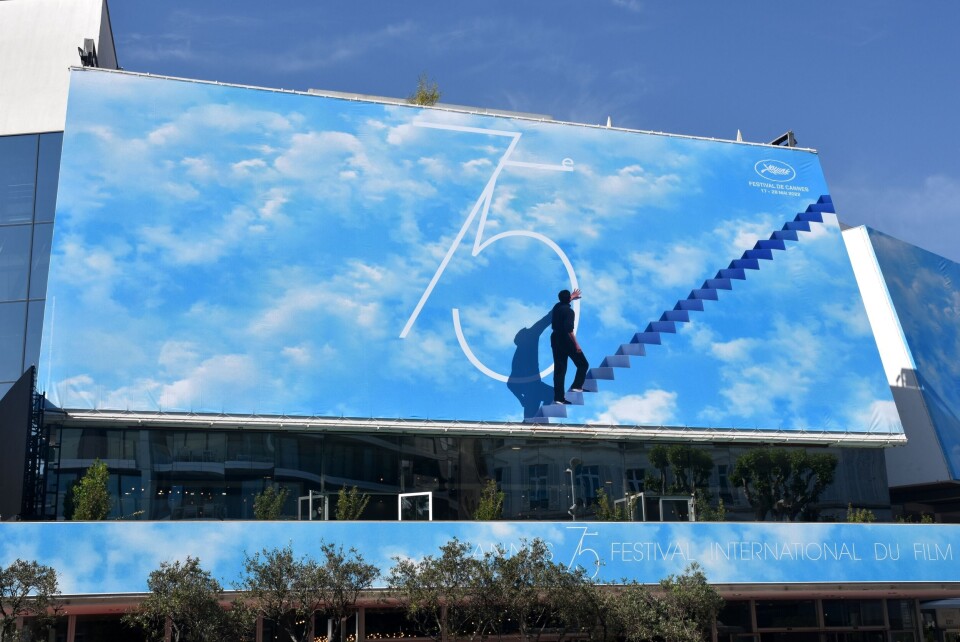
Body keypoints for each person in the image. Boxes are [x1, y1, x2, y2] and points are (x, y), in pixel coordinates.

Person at [550, 288, 589, 404]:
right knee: (583, 364)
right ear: (568, 299)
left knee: (560, 370)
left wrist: (571, 296)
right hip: (566, 340)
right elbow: (569, 330)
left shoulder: (557, 307)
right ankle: (577, 385)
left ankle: (558, 398)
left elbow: (564, 301)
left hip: (555, 338)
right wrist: (576, 344)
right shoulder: (569, 312)